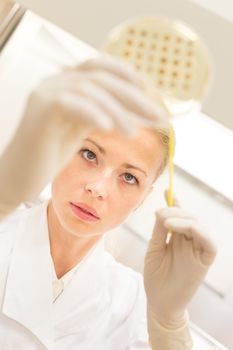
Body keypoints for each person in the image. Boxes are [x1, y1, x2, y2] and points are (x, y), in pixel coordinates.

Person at [0, 56, 217, 349]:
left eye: (129, 177)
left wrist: (168, 326)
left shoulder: (134, 303)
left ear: (143, 199)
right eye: (89, 154)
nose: (97, 188)